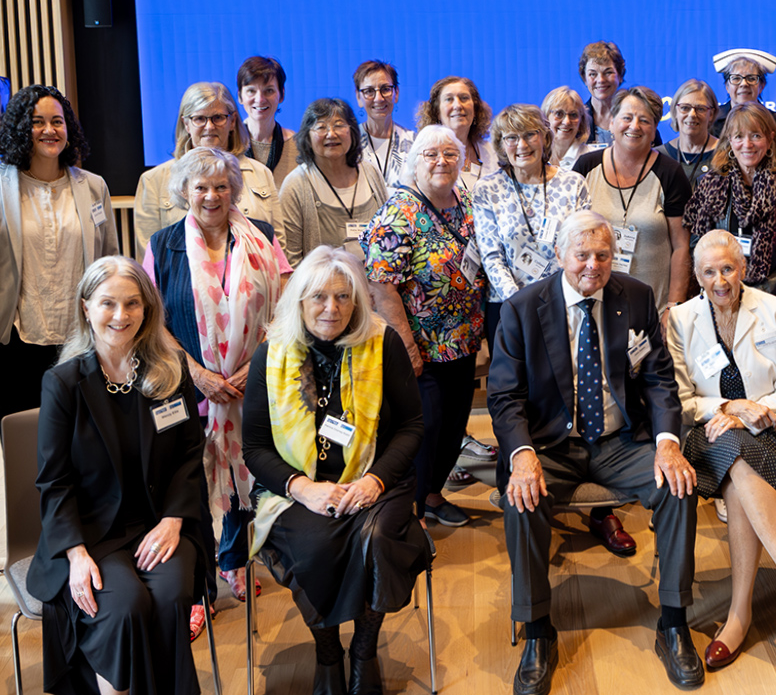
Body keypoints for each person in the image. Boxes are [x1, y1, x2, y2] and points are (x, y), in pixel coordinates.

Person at [487, 210, 704, 694]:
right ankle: (538, 631)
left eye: (602, 255)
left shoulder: (637, 296)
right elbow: (503, 396)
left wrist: (668, 443)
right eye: (581, 255)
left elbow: (658, 377)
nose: (592, 265)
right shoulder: (522, 307)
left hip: (619, 440)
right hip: (550, 444)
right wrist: (521, 454)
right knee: (520, 497)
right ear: (559, 255)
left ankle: (673, 622)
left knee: (679, 486)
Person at [242, 247, 430, 695]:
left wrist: (373, 481)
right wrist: (303, 488)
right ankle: (328, 653)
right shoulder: (271, 355)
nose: (332, 308)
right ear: (299, 300)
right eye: (320, 297)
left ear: (358, 301)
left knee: (379, 541)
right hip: (294, 488)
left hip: (377, 479)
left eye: (344, 297)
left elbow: (411, 426)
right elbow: (254, 447)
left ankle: (364, 651)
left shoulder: (382, 344)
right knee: (314, 545)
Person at [31, 256, 209, 695]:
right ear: (86, 307)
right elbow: (54, 481)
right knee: (124, 606)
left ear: (147, 309)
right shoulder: (64, 383)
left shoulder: (169, 373)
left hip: (158, 522)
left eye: (132, 303)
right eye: (108, 303)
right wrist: (74, 554)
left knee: (169, 598)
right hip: (91, 534)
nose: (120, 315)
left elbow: (189, 453)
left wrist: (173, 520)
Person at [142, 146, 294, 632]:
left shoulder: (263, 237)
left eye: (221, 186)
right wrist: (197, 373)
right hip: (187, 388)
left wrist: (257, 362)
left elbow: (287, 304)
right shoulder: (162, 245)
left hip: (254, 383)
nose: (212, 196)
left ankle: (233, 560)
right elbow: (152, 320)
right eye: (201, 187)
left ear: (235, 189)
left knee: (245, 472)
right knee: (192, 482)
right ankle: (196, 587)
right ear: (184, 191)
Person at [665, 233, 776, 670]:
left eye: (729, 268)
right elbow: (682, 399)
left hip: (774, 429)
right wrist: (730, 408)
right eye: (710, 272)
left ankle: (739, 615)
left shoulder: (774, 309)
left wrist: (753, 412)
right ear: (698, 277)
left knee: (738, 469)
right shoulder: (680, 318)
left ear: (744, 269)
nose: (721, 279)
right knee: (731, 444)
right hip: (710, 430)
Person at [0, 85, 121, 416]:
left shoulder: (94, 186)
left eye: (58, 121)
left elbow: (109, 263)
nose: (50, 130)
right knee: (25, 440)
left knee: (84, 440)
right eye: (38, 122)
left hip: (80, 338)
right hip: (16, 339)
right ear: (22, 127)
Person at [365, 125, 488, 530]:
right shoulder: (399, 212)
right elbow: (382, 286)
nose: (441, 161)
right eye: (430, 155)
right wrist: (408, 347)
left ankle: (433, 496)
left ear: (462, 160)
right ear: (415, 162)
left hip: (463, 339)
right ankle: (408, 514)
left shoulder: (467, 201)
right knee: (426, 429)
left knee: (454, 426)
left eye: (450, 154)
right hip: (421, 348)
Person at [573, 86, 693, 314]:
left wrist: (673, 306)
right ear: (611, 122)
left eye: (645, 120)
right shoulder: (586, 167)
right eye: (627, 118)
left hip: (652, 310)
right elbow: (571, 239)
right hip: (593, 306)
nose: (634, 126)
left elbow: (681, 246)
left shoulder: (670, 173)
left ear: (655, 127)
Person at [472, 104, 591, 330]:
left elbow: (582, 247)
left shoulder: (573, 183)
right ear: (500, 144)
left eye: (530, 135)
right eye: (512, 138)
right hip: (507, 306)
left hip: (564, 302)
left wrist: (561, 295)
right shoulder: (486, 189)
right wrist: (521, 304)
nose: (522, 145)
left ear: (545, 137)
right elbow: (491, 255)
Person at [135, 81, 283, 244]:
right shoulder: (153, 181)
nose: (209, 127)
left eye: (218, 118)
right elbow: (150, 258)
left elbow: (278, 244)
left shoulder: (261, 174)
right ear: (186, 124)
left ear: (232, 121)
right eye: (199, 119)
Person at [683, 105, 776, 297]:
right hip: (720, 293)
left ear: (770, 138)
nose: (747, 144)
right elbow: (698, 246)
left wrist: (759, 294)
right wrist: (723, 287)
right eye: (739, 136)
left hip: (771, 300)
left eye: (756, 135)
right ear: (729, 140)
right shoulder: (709, 183)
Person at [278, 98, 390, 265]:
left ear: (352, 131)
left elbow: (390, 233)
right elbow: (290, 261)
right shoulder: (296, 185)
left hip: (375, 288)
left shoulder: (371, 172)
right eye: (321, 127)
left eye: (339, 125)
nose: (331, 134)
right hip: (322, 288)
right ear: (307, 136)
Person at [413, 76, 494, 186]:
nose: (458, 105)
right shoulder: (422, 156)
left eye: (464, 98)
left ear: (475, 109)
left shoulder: (492, 153)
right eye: (449, 99)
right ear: (437, 112)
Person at [239, 56, 299, 188]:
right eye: (251, 91)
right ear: (240, 96)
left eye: (269, 91)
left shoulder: (298, 146)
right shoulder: (227, 146)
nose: (260, 99)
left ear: (282, 95)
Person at [353, 60, 413, 184]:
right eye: (369, 91)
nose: (378, 98)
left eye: (385, 89)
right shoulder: (348, 143)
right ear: (358, 97)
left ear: (396, 93)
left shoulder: (415, 143)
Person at [712, 48, 776, 140]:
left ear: (761, 86)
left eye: (751, 78)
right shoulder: (712, 120)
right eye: (736, 78)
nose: (744, 84)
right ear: (727, 87)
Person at [659, 79, 722, 182]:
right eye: (685, 108)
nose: (692, 115)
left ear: (711, 114)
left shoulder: (726, 154)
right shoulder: (659, 156)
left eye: (700, 109)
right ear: (675, 111)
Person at [577, 41, 625, 144]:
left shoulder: (636, 117)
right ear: (585, 79)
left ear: (620, 75)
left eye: (608, 72)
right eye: (593, 74)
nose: (601, 80)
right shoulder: (576, 121)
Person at [542, 86, 597, 170]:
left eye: (573, 115)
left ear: (581, 121)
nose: (566, 122)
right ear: (546, 117)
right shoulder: (535, 158)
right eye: (559, 114)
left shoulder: (594, 158)